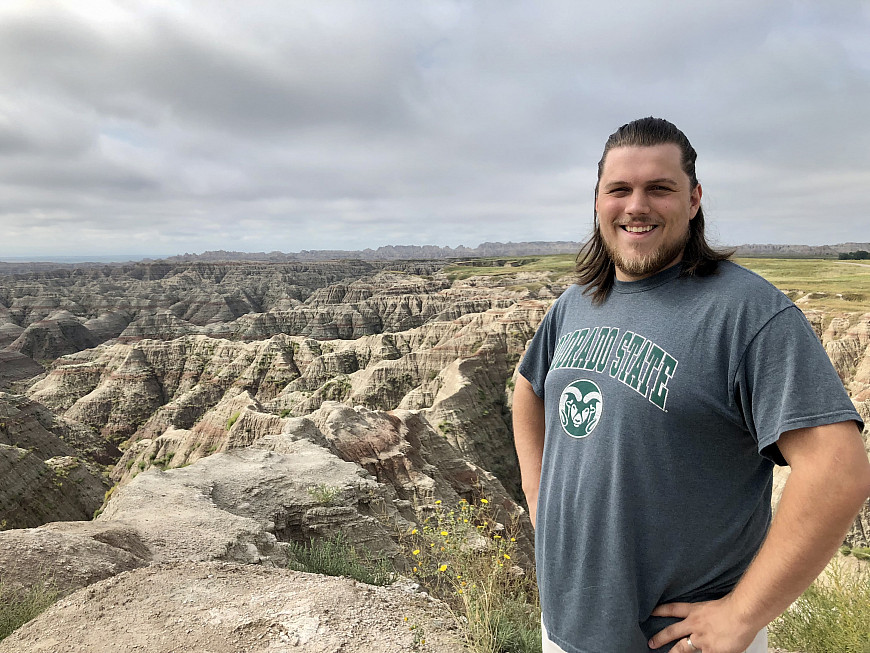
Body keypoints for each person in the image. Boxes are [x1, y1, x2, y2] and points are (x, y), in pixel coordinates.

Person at [512, 117, 870, 653]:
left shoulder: (747, 314)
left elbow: (838, 470)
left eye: (659, 188)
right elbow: (528, 388)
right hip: (565, 629)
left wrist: (741, 617)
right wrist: (539, 496)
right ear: (598, 202)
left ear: (694, 198)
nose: (637, 206)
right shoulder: (578, 301)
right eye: (619, 190)